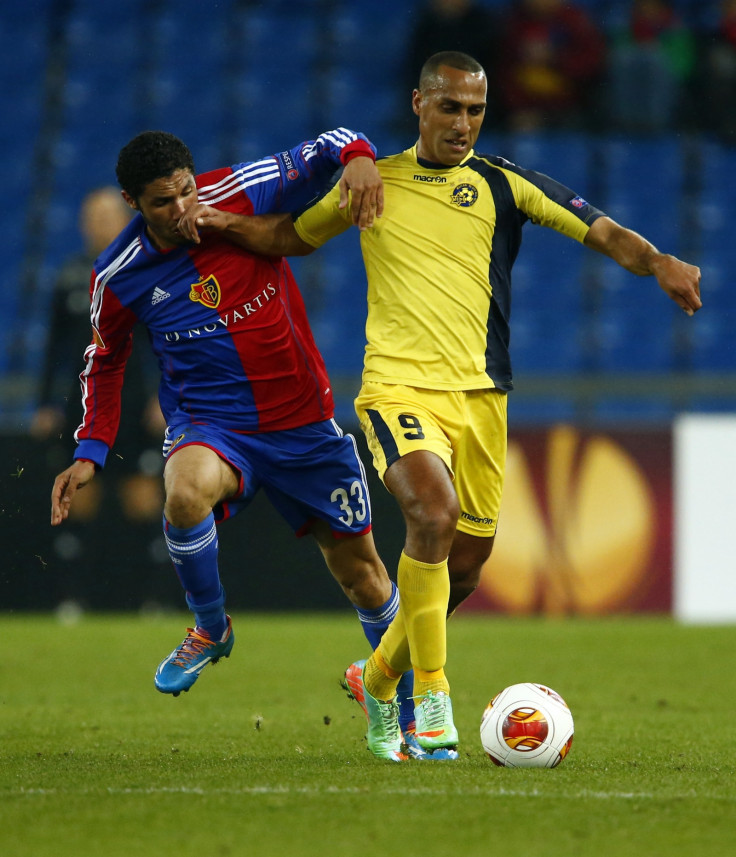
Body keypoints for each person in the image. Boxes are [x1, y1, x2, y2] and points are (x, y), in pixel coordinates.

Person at [179, 51, 703, 763]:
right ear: (419, 104)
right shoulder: (375, 183)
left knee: (465, 568)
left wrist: (661, 262)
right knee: (432, 511)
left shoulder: (503, 183)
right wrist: (218, 222)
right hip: (396, 387)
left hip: (481, 396)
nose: (463, 123)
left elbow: (602, 230)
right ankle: (432, 694)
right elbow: (287, 236)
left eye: (476, 110)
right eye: (450, 107)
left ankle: (376, 675)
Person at [49, 128, 414, 755]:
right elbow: (104, 362)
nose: (183, 209)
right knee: (184, 492)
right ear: (134, 203)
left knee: (365, 578)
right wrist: (90, 451)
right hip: (213, 426)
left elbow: (333, 141)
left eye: (186, 191)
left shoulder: (238, 193)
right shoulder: (118, 275)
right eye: (163, 202)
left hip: (304, 427)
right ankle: (211, 628)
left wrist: (357, 160)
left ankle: (409, 710)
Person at [494, 0, 606, 132]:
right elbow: (503, 72)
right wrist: (520, 107)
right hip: (524, 109)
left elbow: (591, 65)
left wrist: (555, 57)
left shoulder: (575, 21)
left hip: (570, 107)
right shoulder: (512, 23)